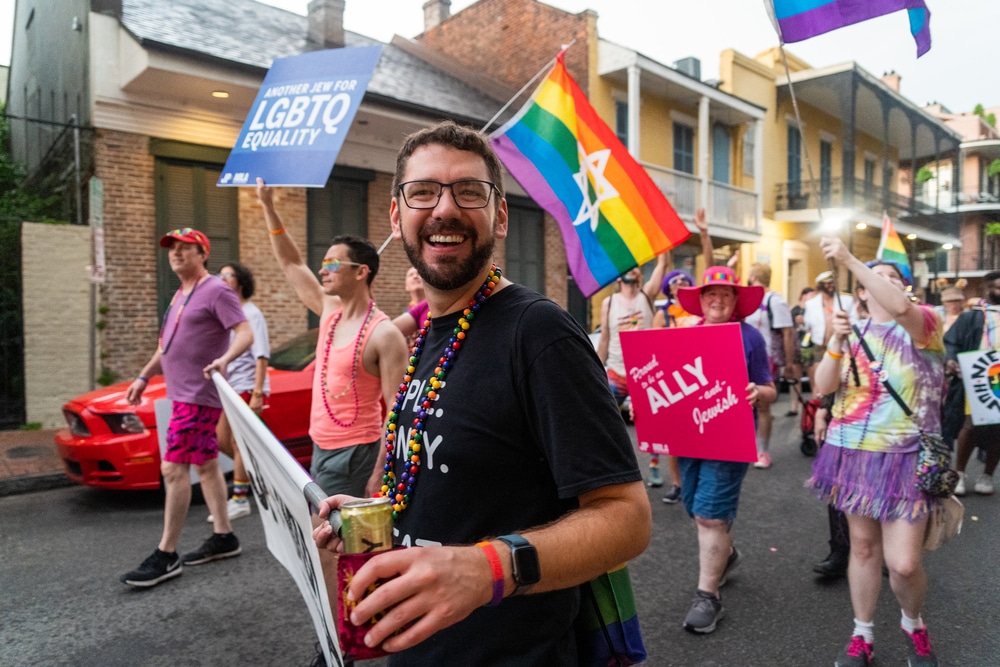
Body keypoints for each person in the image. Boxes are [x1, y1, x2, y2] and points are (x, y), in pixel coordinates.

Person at [312, 121, 651, 665]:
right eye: (423, 191)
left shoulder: (539, 333)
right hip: (420, 648)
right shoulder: (430, 334)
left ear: (500, 216)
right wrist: (374, 513)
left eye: (469, 191)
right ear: (397, 217)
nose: (445, 209)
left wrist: (488, 568)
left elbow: (627, 519)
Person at [809, 238, 945, 667]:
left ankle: (913, 623)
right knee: (863, 549)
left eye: (893, 278)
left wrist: (850, 259)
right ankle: (862, 634)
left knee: (903, 564)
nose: (883, 283)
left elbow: (903, 310)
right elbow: (823, 386)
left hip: (906, 457)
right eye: (874, 278)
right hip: (854, 453)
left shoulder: (926, 323)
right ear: (862, 292)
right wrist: (834, 339)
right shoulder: (852, 331)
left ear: (904, 288)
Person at [255, 182, 409, 499]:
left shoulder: (384, 334)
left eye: (333, 264)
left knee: (333, 539)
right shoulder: (329, 311)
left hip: (356, 453)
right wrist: (269, 208)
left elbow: (397, 411)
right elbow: (292, 263)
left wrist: (381, 471)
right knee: (329, 539)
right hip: (320, 444)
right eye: (323, 264)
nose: (323, 271)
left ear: (360, 272)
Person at [121, 228, 253, 588]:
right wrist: (143, 377)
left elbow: (244, 332)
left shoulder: (217, 290)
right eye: (172, 249)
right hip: (181, 395)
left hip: (198, 395)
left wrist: (224, 359)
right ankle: (224, 535)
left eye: (186, 248)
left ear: (202, 254)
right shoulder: (180, 295)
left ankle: (166, 555)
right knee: (207, 466)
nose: (177, 254)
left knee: (173, 470)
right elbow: (167, 348)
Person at [672, 266, 776, 634]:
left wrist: (757, 393)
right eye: (710, 293)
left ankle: (708, 596)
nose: (717, 300)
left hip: (731, 437)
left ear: (736, 301)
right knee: (694, 506)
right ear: (700, 301)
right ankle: (726, 555)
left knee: (711, 516)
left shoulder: (751, 337)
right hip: (689, 436)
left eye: (726, 294)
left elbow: (769, 388)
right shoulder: (684, 335)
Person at [596, 250, 667, 485]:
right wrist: (595, 367)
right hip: (616, 371)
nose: (632, 270)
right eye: (627, 268)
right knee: (603, 420)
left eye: (635, 267)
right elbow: (605, 336)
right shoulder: (609, 302)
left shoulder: (647, 296)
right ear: (618, 277)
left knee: (653, 424)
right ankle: (609, 469)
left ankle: (654, 467)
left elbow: (662, 264)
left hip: (645, 372)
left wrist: (663, 247)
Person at [211, 262, 270, 522]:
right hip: (230, 387)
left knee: (238, 442)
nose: (221, 278)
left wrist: (257, 392)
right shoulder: (230, 315)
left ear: (240, 282)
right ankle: (260, 475)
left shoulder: (251, 314)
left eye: (227, 275)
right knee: (221, 439)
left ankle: (239, 499)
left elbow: (261, 356)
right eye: (219, 275)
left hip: (247, 386)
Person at [944, 271, 1000, 496]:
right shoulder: (972, 317)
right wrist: (951, 360)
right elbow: (952, 342)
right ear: (987, 290)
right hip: (976, 377)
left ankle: (987, 475)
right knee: (970, 425)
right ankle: (959, 473)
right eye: (998, 287)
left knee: (998, 428)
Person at [743, 262, 796, 469]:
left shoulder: (775, 300)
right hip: (748, 355)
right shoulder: (750, 300)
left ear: (754, 275)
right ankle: (748, 445)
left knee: (763, 405)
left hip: (766, 358)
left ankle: (763, 451)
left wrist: (789, 363)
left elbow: (788, 332)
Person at [802, 271, 855, 397]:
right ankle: (817, 413)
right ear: (820, 286)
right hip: (820, 346)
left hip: (841, 348)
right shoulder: (811, 303)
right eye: (827, 283)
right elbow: (807, 326)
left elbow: (854, 322)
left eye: (832, 283)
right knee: (818, 387)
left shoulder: (846, 300)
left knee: (840, 382)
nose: (831, 285)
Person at [788, 286, 816, 416]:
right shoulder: (794, 309)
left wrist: (805, 322)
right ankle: (794, 405)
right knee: (796, 377)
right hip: (796, 345)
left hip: (810, 346)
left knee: (813, 378)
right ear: (802, 296)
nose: (811, 298)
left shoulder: (814, 310)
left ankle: (815, 404)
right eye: (809, 295)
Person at [392, 266, 429, 341]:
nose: (415, 276)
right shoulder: (406, 312)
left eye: (419, 274)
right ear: (406, 286)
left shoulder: (435, 309)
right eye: (411, 275)